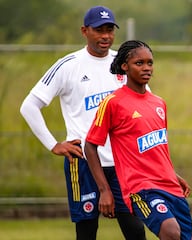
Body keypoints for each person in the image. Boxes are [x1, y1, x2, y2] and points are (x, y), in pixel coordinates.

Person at [19, 6, 147, 240]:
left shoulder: (125, 63)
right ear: (84, 31)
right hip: (84, 163)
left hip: (122, 162)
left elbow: (145, 105)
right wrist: (53, 144)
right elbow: (29, 106)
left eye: (110, 30)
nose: (105, 36)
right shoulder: (68, 65)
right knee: (87, 231)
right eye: (99, 30)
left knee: (135, 229)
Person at [84, 40, 192, 240]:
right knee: (170, 231)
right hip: (140, 188)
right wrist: (104, 190)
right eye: (139, 63)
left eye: (150, 63)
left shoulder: (158, 103)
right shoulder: (112, 103)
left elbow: (156, 147)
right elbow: (90, 146)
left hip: (169, 185)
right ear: (125, 67)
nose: (146, 68)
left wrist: (173, 174)